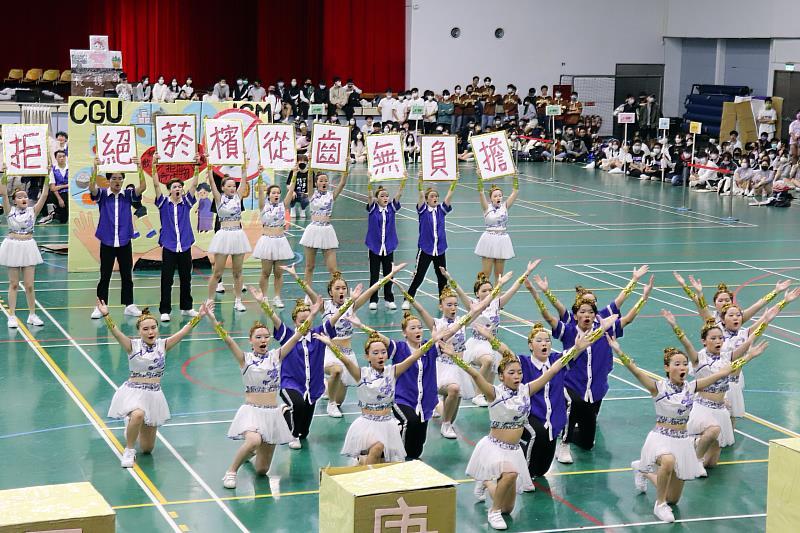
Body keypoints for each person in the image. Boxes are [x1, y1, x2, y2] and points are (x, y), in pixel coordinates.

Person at [454, 317, 614, 530]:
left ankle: (486, 482)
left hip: (532, 435)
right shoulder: (508, 379)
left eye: (547, 340)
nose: (545, 343)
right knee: (513, 474)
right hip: (507, 434)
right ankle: (493, 510)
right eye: (539, 340)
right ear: (531, 344)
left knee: (512, 504)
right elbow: (485, 367)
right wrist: (481, 342)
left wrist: (583, 343)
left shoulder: (533, 381)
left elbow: (555, 368)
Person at [608, 337, 766, 523]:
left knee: (673, 499)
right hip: (661, 438)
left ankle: (643, 471)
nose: (682, 367)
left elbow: (723, 372)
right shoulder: (657, 388)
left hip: (682, 441)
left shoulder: (692, 387)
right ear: (667, 368)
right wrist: (618, 351)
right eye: (677, 364)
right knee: (667, 461)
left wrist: (749, 357)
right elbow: (634, 370)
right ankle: (659, 505)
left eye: (684, 364)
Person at [361, 277, 509, 460]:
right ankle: (391, 455)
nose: (417, 330)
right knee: (411, 422)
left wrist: (494, 293)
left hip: (430, 392)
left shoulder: (432, 344)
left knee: (416, 450)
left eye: (419, 328)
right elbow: (380, 336)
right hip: (409, 394)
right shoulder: (400, 346)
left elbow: (465, 320)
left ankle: (389, 450)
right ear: (404, 332)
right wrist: (360, 324)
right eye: (413, 328)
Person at [535, 276, 653, 463]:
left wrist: (642, 293)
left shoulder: (604, 327)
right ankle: (563, 443)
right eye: (583, 309)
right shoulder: (570, 328)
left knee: (588, 441)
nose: (588, 312)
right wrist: (541, 291)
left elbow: (627, 316)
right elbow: (553, 313)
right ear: (576, 313)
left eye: (592, 307)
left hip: (596, 386)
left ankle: (559, 428)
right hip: (571, 383)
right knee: (575, 404)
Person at [205, 300, 320, 488]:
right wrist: (211, 317)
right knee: (253, 439)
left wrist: (313, 314)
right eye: (258, 337)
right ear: (251, 341)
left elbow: (298, 334)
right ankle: (231, 471)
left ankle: (252, 453)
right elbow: (226, 338)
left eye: (266, 337)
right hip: (252, 411)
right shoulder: (245, 359)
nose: (263, 340)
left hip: (271, 414)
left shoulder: (277, 356)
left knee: (262, 470)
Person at [250, 284, 365, 449]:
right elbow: (274, 318)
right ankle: (292, 436)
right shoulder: (288, 335)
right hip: (291, 384)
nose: (305, 324)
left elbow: (335, 317)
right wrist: (262, 302)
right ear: (295, 322)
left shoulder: (319, 334)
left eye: (308, 321)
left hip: (312, 387)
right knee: (298, 406)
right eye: (301, 321)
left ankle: (286, 415)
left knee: (305, 433)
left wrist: (351, 300)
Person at [287, 264, 405, 418]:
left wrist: (391, 274)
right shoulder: (325, 306)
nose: (341, 290)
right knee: (337, 371)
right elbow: (307, 290)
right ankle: (330, 403)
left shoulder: (352, 304)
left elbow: (372, 290)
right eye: (337, 288)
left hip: (348, 353)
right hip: (328, 351)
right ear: (330, 291)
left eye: (343, 288)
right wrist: (296, 276)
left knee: (339, 400)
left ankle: (327, 388)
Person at [102, 302, 207, 468]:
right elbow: (115, 332)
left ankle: (131, 427)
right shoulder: (132, 345)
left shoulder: (163, 345)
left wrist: (199, 316)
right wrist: (106, 315)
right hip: (134, 392)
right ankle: (129, 450)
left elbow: (183, 332)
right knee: (137, 414)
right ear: (139, 331)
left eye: (153, 328)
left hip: (154, 395)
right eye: (145, 329)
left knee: (147, 449)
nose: (150, 332)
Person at [89, 157, 146, 319]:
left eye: (120, 178)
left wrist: (139, 167)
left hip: (124, 240)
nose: (117, 181)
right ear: (108, 180)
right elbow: (91, 187)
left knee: (127, 275)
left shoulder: (127, 195)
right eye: (114, 178)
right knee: (105, 275)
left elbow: (143, 187)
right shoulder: (101, 194)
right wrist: (95, 168)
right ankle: (101, 305)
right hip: (107, 241)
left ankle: (129, 305)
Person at [151, 153, 200, 322]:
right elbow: (156, 184)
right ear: (169, 190)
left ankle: (187, 307)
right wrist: (154, 165)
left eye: (180, 186)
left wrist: (196, 166)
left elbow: (194, 183)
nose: (177, 189)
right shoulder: (163, 203)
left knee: (186, 278)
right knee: (167, 279)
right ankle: (165, 310)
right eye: (174, 187)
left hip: (185, 246)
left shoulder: (187, 202)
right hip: (169, 247)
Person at [0, 164, 49, 328]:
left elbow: (45, 194)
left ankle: (32, 315)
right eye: (20, 197)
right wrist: (5, 173)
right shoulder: (9, 210)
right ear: (14, 200)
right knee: (13, 284)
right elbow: (3, 193)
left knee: (29, 285)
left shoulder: (33, 211)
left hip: (28, 246)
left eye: (25, 197)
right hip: (13, 246)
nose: (23, 199)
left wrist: (48, 174)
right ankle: (12, 316)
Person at [205, 165, 252, 311]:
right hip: (224, 235)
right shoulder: (219, 198)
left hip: (238, 235)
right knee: (218, 272)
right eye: (229, 186)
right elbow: (212, 185)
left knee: (237, 272)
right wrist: (210, 173)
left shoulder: (238, 197)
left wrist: (244, 168)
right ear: (223, 188)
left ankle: (238, 301)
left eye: (233, 185)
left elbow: (243, 180)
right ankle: (210, 300)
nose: (232, 188)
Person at [403, 179, 456, 308]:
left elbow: (449, 197)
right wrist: (420, 182)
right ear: (427, 199)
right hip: (425, 249)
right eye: (432, 196)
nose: (435, 198)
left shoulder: (441, 210)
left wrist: (454, 183)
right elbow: (420, 195)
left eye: (436, 196)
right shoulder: (422, 210)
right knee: (419, 276)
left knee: (442, 277)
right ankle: (408, 298)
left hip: (440, 249)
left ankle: (442, 301)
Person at [298, 167, 349, 290]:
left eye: (325, 180)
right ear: (316, 183)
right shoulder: (312, 195)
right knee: (309, 266)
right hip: (313, 230)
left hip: (327, 231)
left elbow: (342, 183)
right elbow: (309, 180)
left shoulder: (331, 195)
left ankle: (338, 292)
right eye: (321, 180)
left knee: (333, 269)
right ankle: (308, 295)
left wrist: (345, 167)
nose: (324, 182)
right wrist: (310, 165)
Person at [251, 170, 296, 309]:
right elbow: (259, 191)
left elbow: (291, 189)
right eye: (273, 193)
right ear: (268, 195)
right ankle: (264, 297)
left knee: (278, 272)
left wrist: (294, 173)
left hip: (280, 241)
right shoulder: (263, 206)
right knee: (265, 272)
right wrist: (259, 174)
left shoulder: (283, 205)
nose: (276, 195)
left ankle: (277, 297)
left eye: (278, 193)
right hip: (267, 241)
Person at [365, 176, 406, 310]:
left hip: (388, 247)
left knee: (389, 274)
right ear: (377, 198)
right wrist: (369, 181)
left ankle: (389, 299)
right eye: (382, 196)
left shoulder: (391, 208)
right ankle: (373, 300)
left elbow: (399, 194)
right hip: (375, 247)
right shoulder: (373, 209)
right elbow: (370, 196)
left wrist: (403, 180)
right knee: (374, 274)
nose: (386, 198)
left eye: (387, 196)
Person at [40, 149, 69, 224]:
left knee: (64, 219)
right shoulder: (52, 170)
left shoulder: (70, 168)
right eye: (59, 157)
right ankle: (48, 214)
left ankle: (55, 213)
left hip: (69, 193)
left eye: (63, 156)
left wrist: (59, 186)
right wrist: (60, 199)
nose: (62, 158)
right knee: (46, 196)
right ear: (56, 158)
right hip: (57, 194)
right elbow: (53, 188)